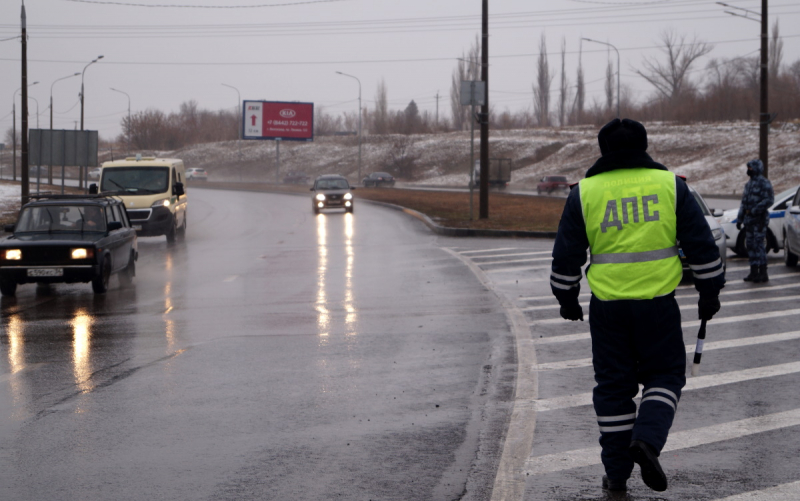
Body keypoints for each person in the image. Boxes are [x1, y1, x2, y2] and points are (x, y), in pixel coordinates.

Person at [549, 118, 726, 493]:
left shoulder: (585, 193)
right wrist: (709, 292)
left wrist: (567, 298)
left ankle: (616, 475)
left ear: (603, 150)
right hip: (658, 306)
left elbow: (566, 255)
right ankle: (647, 439)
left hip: (608, 309)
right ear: (644, 147)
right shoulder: (670, 186)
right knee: (665, 376)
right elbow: (701, 245)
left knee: (613, 389)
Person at [736, 159, 774, 283]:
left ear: (757, 169)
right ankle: (753, 272)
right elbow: (743, 203)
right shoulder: (749, 184)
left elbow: (769, 200)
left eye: (751, 168)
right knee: (750, 246)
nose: (749, 170)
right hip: (749, 221)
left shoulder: (764, 183)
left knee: (759, 246)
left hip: (759, 220)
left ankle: (763, 272)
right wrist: (740, 219)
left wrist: (755, 210)